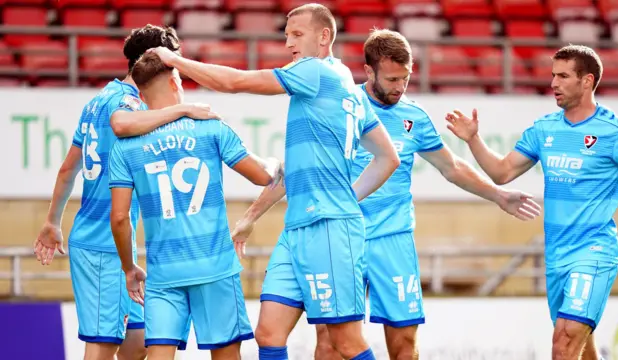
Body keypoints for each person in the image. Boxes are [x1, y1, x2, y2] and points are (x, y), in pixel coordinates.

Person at [235, 29, 542, 360]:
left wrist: (497, 195)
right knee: (329, 342)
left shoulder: (414, 117)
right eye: (393, 78)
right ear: (368, 71)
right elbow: (296, 171)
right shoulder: (337, 102)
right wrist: (251, 217)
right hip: (340, 236)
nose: (400, 87)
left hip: (392, 239)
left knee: (404, 345)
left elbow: (451, 167)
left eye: (405, 78)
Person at [149, 4, 401, 360]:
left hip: (328, 226)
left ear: (324, 37)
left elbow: (234, 83)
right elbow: (385, 157)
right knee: (269, 334)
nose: (288, 44)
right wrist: (250, 218)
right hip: (297, 228)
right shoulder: (344, 83)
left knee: (345, 342)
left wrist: (174, 61)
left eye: (297, 35)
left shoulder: (313, 71)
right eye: (286, 36)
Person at [33, 25, 217, 360]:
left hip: (110, 240)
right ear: (154, 61)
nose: (177, 66)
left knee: (139, 340)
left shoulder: (97, 100)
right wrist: (183, 109)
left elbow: (67, 168)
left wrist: (52, 221)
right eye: (172, 59)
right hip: (102, 242)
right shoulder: (127, 104)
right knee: (103, 347)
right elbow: (121, 124)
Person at [445, 45, 618, 360]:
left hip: (594, 251)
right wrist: (472, 139)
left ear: (587, 81)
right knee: (582, 349)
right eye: (553, 76)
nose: (553, 84)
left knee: (563, 343)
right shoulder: (544, 129)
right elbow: (502, 171)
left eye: (563, 76)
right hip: (557, 255)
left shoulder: (617, 131)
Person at [108, 51, 282, 359]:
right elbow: (261, 176)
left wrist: (129, 267)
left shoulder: (125, 147)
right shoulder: (211, 127)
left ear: (141, 94)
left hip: (163, 274)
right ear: (176, 80)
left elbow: (120, 218)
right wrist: (273, 163)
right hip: (215, 267)